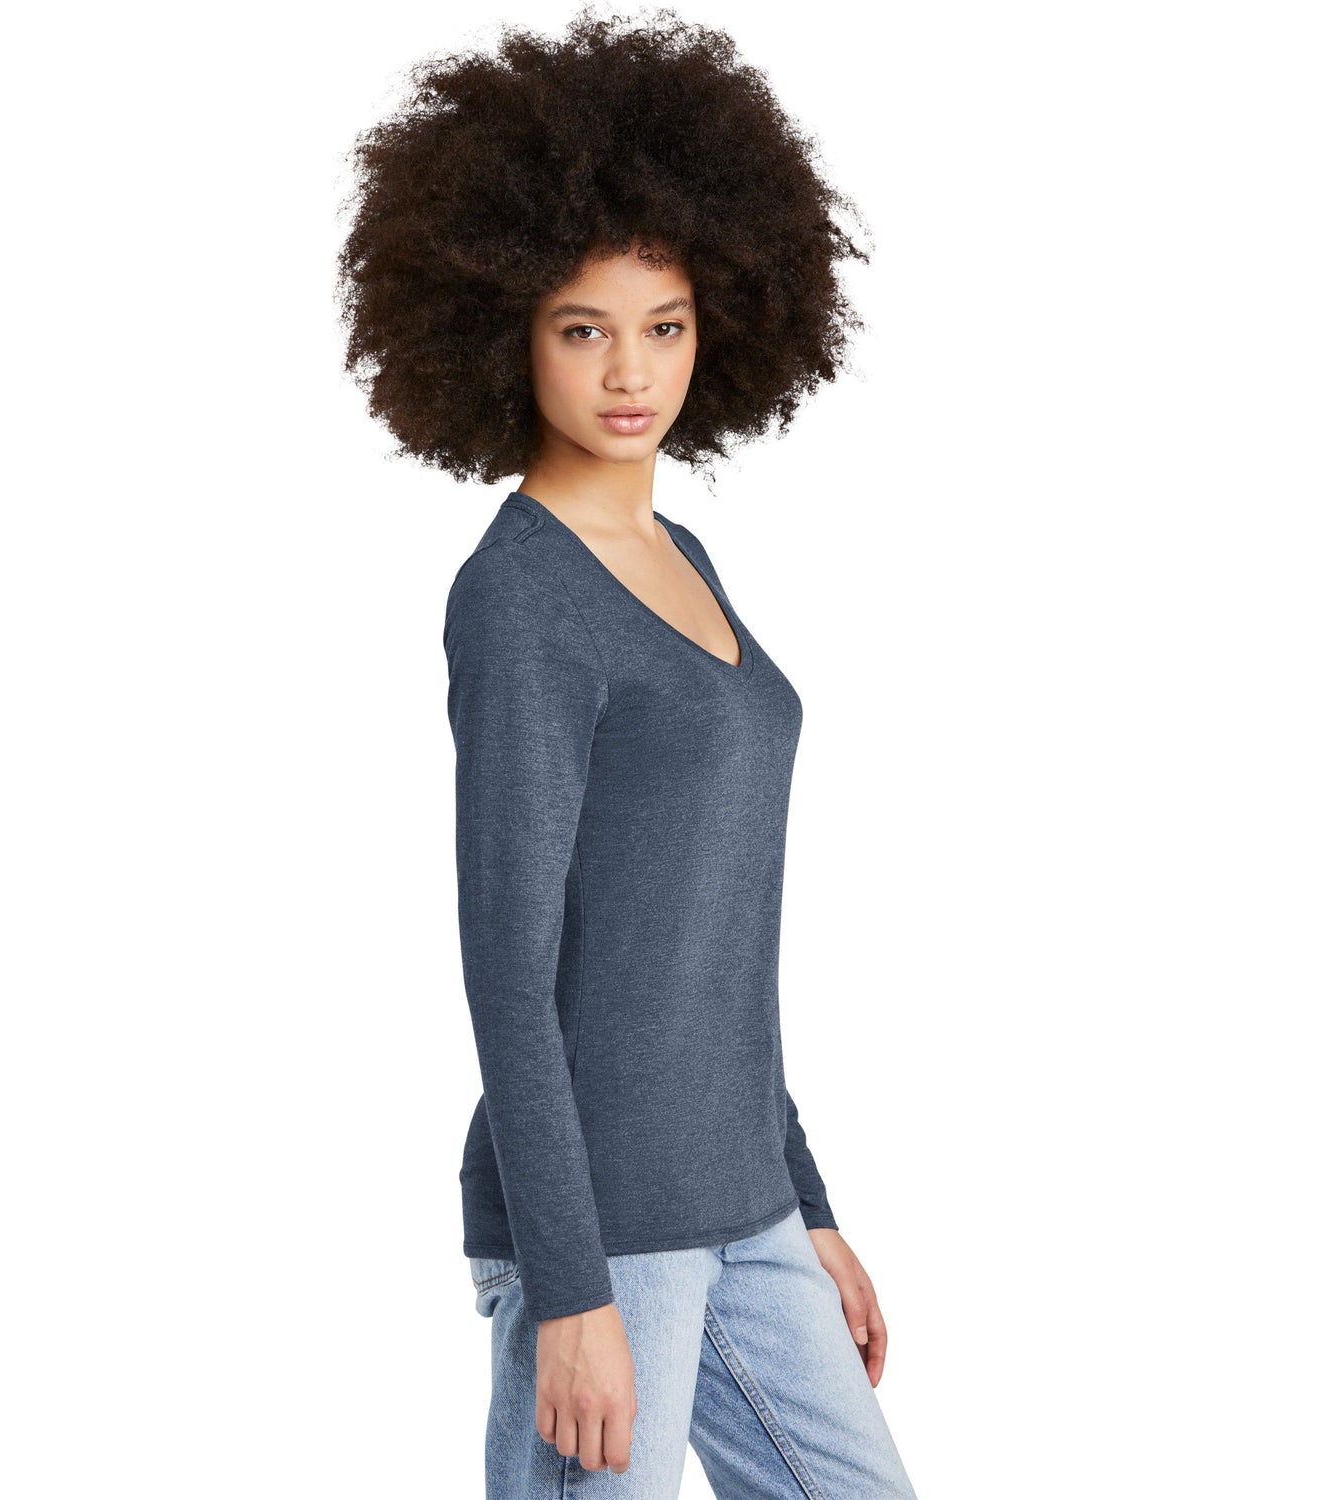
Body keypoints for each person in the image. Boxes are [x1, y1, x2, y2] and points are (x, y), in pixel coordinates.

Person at [337, 10, 919, 1497]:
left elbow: (712, 945)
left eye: (663, 324)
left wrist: (804, 1200)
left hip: (746, 1208)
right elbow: (509, 963)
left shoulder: (686, 558)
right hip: (603, 1239)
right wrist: (571, 1288)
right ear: (507, 332)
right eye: (581, 327)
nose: (628, 371)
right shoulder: (520, 595)